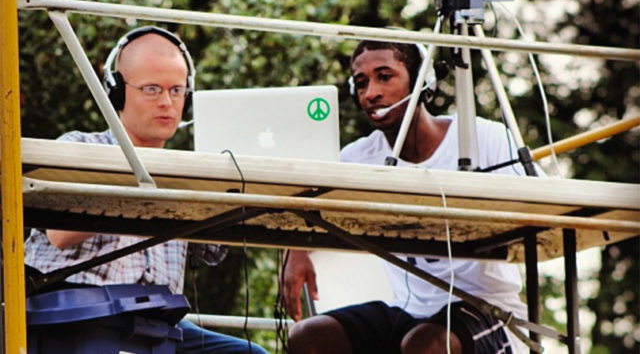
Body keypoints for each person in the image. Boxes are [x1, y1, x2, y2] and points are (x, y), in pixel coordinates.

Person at [24, 26, 268, 354]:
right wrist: (142, 175)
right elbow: (61, 232)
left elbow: (212, 249)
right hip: (80, 319)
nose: (167, 102)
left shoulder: (184, 170)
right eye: (152, 89)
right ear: (117, 93)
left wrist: (233, 182)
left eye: (177, 90)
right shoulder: (79, 147)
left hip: (160, 327)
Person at [283, 40, 534, 354]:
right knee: (309, 337)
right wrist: (296, 251)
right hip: (409, 312)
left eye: (384, 77)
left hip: (488, 310)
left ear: (422, 82)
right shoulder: (357, 158)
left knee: (424, 346)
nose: (371, 93)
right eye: (361, 83)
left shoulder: (484, 137)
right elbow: (308, 206)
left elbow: (537, 215)